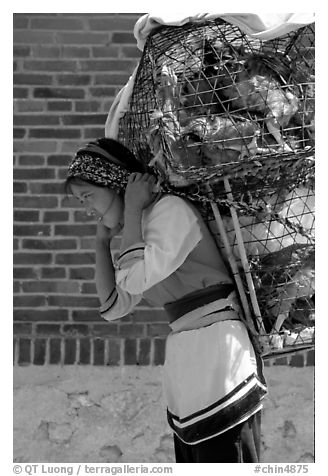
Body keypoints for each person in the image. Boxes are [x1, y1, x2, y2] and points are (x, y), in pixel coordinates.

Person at [65, 137, 268, 463]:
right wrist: (101, 244)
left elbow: (135, 278)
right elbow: (115, 307)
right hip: (188, 359)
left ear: (118, 184)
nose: (87, 209)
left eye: (88, 196)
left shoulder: (169, 210)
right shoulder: (139, 229)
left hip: (219, 352)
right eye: (80, 202)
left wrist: (131, 209)